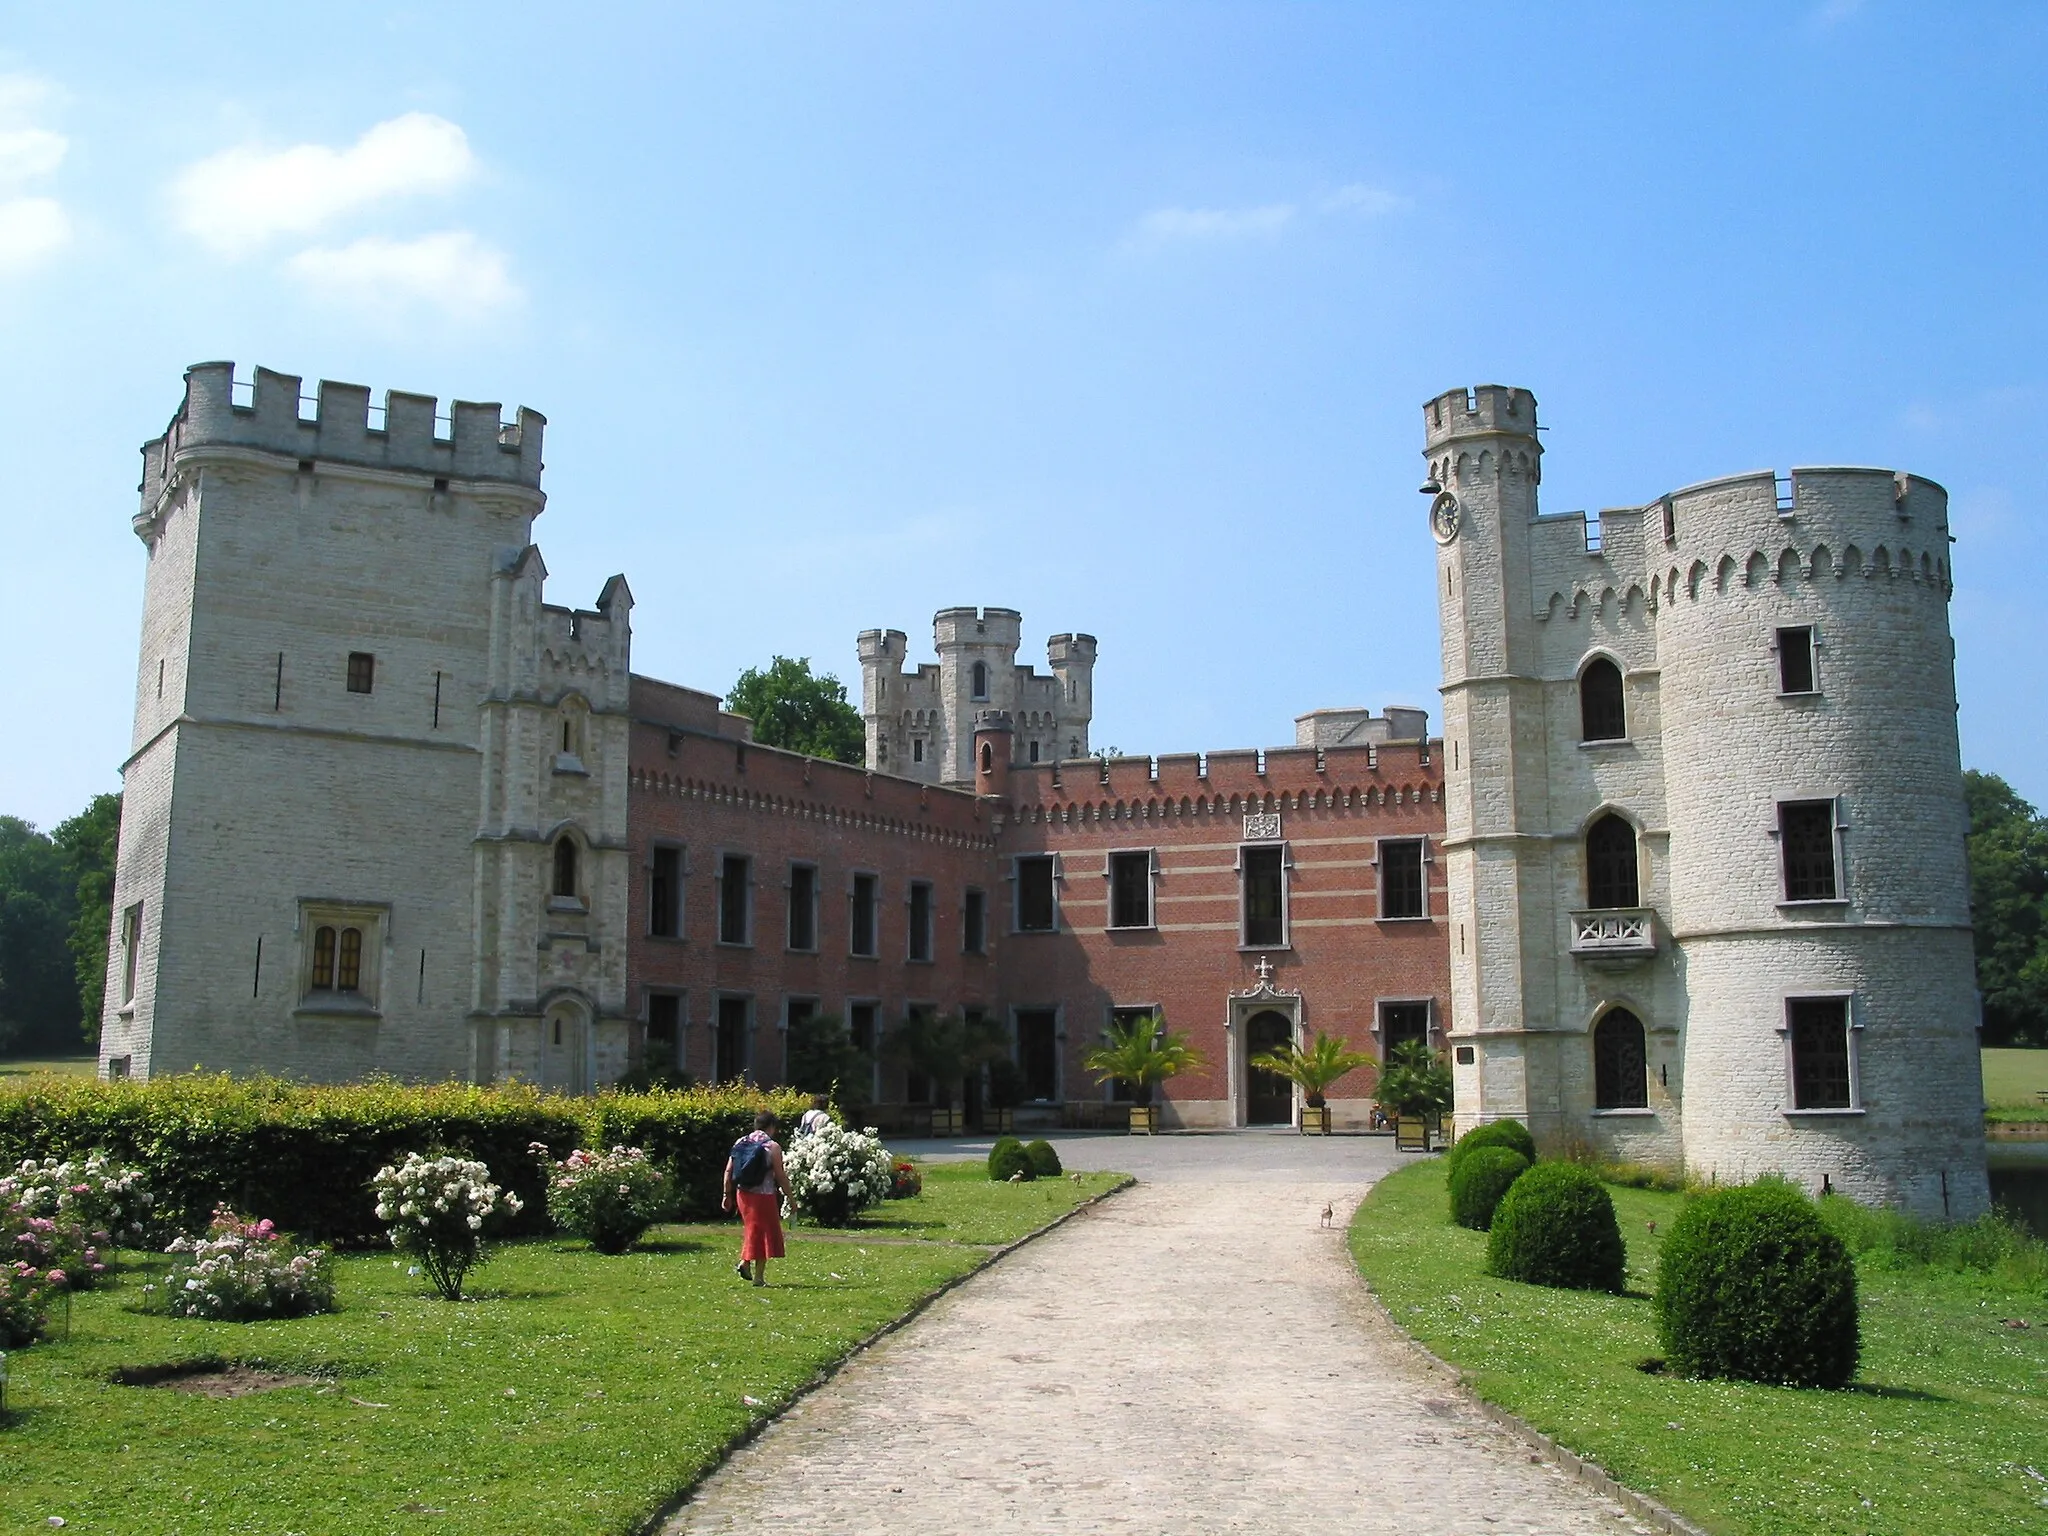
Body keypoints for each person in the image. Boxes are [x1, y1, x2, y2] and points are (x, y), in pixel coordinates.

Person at [723, 1111, 791, 1286]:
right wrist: (790, 1197)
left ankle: (745, 1263)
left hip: (743, 1193)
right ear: (771, 1127)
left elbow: (729, 1171)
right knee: (763, 1234)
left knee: (753, 1230)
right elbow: (780, 1176)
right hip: (764, 1195)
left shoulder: (740, 1142)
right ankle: (758, 1277)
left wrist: (726, 1194)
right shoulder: (772, 1147)